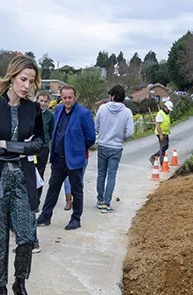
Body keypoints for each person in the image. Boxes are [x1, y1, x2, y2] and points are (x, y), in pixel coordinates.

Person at [0, 56, 45, 295]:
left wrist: (8, 146)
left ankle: (20, 283)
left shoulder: (33, 109)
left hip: (24, 178)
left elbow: (39, 143)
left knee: (27, 237)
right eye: (23, 80)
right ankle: (1, 289)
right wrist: (18, 148)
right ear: (11, 77)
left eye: (31, 81)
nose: (27, 86)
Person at [36, 85, 96, 231]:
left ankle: (76, 218)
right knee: (53, 188)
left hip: (74, 158)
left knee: (76, 190)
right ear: (61, 98)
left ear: (75, 97)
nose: (67, 100)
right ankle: (45, 215)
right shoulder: (58, 110)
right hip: (58, 158)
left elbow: (91, 138)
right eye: (64, 97)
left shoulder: (84, 114)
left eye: (70, 97)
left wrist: (78, 149)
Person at [95, 85, 134, 213]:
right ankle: (107, 203)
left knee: (101, 173)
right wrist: (122, 138)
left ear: (112, 96)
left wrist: (103, 133)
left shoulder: (102, 108)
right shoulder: (127, 112)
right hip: (116, 147)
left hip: (102, 144)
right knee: (111, 175)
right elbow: (130, 132)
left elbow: (97, 126)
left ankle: (100, 200)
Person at [32, 90, 55, 253]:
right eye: (40, 100)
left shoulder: (50, 117)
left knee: (39, 176)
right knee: (28, 175)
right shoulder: (31, 112)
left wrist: (45, 143)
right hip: (30, 147)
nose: (43, 103)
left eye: (45, 101)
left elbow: (51, 132)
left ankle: (36, 202)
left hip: (43, 148)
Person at [149, 100, 173, 166]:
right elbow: (157, 125)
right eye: (168, 109)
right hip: (161, 133)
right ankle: (161, 162)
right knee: (163, 148)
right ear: (165, 107)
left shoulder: (166, 114)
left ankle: (154, 157)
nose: (169, 110)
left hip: (165, 133)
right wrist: (160, 135)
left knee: (165, 146)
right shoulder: (160, 114)